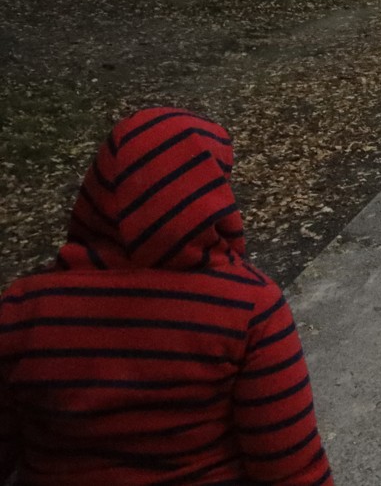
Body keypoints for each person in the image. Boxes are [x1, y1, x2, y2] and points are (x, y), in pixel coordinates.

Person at [0, 107, 335, 486]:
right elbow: (291, 468)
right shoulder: (249, 307)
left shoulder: (23, 309)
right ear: (210, 197)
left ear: (97, 190)